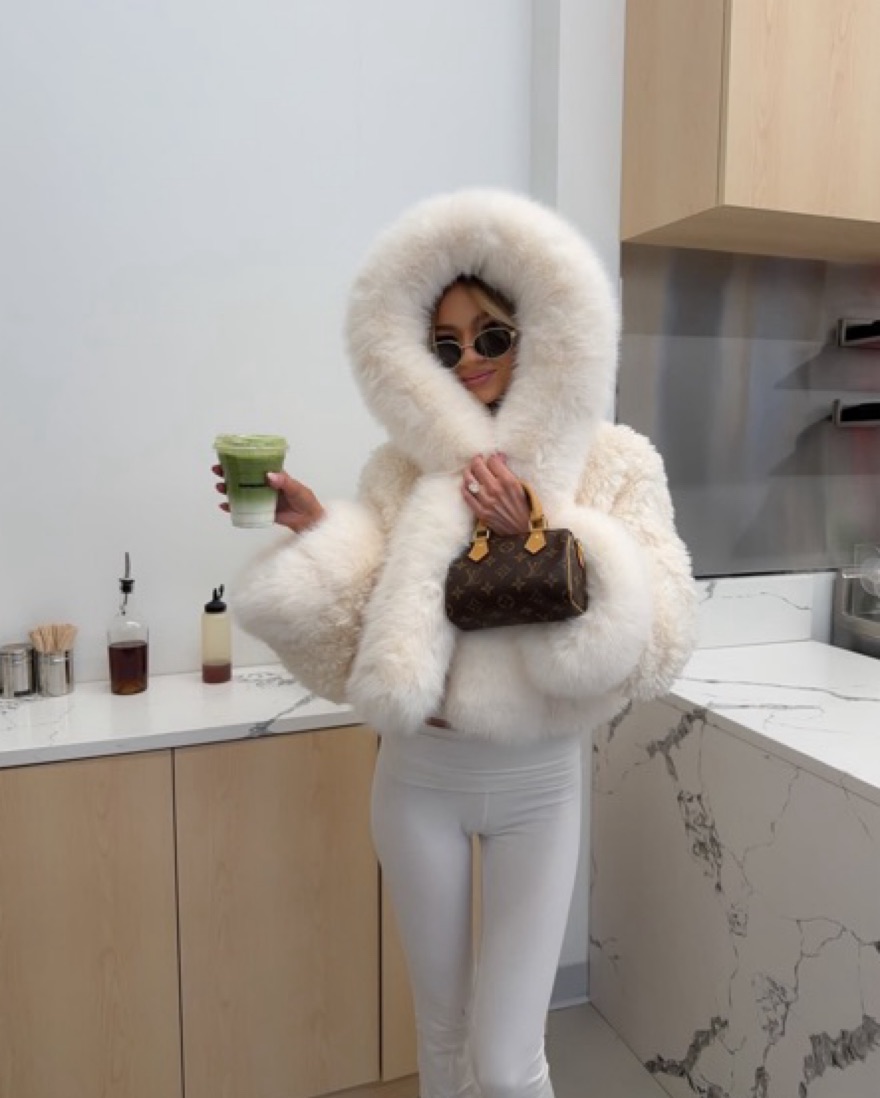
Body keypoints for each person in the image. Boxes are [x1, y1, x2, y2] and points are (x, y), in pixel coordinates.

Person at [215, 189, 697, 1098]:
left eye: (490, 336)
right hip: (419, 777)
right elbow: (362, 624)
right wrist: (317, 527)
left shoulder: (615, 460)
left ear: (539, 334)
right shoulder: (401, 469)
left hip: (537, 784)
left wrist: (539, 536)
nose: (468, 360)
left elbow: (663, 632)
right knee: (441, 1043)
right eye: (444, 346)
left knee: (508, 1063)